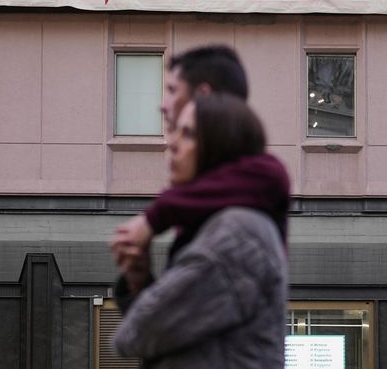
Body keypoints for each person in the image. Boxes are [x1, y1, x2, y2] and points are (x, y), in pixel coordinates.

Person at [112, 93, 289, 368]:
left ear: (220, 147)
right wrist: (140, 280)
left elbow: (136, 335)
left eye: (188, 134)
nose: (172, 143)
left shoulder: (234, 234)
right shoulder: (225, 225)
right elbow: (171, 340)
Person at [112, 45, 288, 264]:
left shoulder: (261, 177)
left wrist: (153, 219)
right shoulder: (203, 191)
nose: (162, 105)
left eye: (172, 90)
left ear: (203, 96)